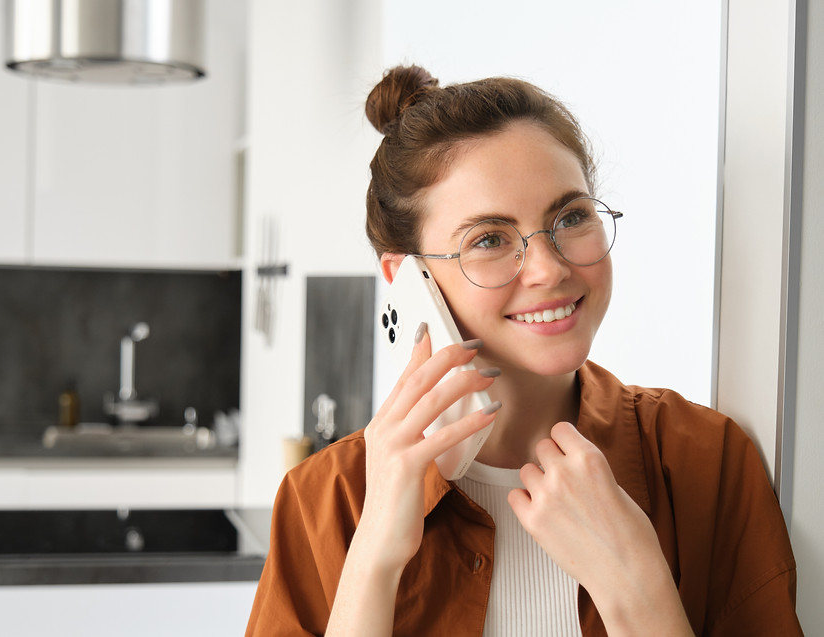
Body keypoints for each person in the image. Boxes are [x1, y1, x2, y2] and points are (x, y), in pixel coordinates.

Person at [245, 65, 802, 636]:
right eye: (488, 239)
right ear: (408, 279)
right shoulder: (326, 500)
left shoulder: (706, 463)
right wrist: (373, 560)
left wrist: (636, 587)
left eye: (571, 217)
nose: (549, 268)